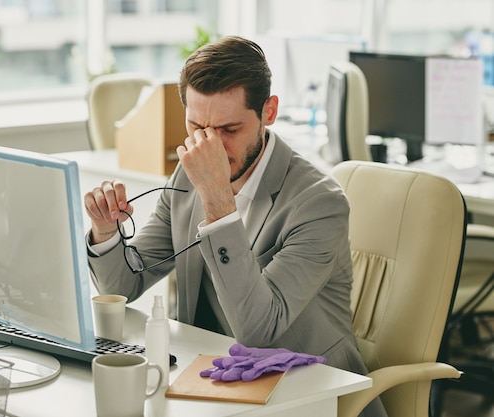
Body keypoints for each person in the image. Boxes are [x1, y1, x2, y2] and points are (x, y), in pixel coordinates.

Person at [84, 36, 386, 417]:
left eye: (229, 129)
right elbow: (121, 287)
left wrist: (218, 204)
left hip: (307, 392)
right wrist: (105, 232)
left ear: (269, 111)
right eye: (197, 127)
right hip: (211, 381)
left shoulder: (318, 202)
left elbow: (260, 332)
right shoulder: (187, 173)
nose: (210, 146)